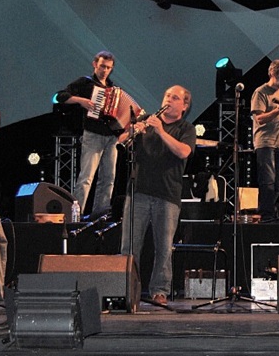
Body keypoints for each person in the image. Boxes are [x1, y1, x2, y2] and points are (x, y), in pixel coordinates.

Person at [120, 85, 196, 305]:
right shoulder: (146, 121)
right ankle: (126, 290)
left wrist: (161, 131)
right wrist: (133, 132)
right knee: (129, 245)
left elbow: (183, 152)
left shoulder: (186, 128)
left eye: (175, 98)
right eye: (167, 96)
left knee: (163, 247)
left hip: (167, 194)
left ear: (184, 106)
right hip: (139, 191)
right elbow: (120, 142)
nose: (168, 100)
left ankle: (160, 290)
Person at [56, 51, 136, 219]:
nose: (105, 70)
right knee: (86, 177)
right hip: (92, 134)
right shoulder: (85, 82)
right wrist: (81, 101)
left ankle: (100, 214)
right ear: (95, 64)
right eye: (102, 66)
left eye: (108, 68)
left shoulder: (113, 89)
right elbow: (59, 97)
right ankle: (76, 216)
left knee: (108, 179)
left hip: (111, 138)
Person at [250, 59, 279, 222]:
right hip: (265, 141)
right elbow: (259, 118)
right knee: (267, 180)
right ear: (273, 73)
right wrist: (277, 111)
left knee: (277, 183)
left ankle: (268, 211)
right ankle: (266, 216)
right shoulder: (260, 92)